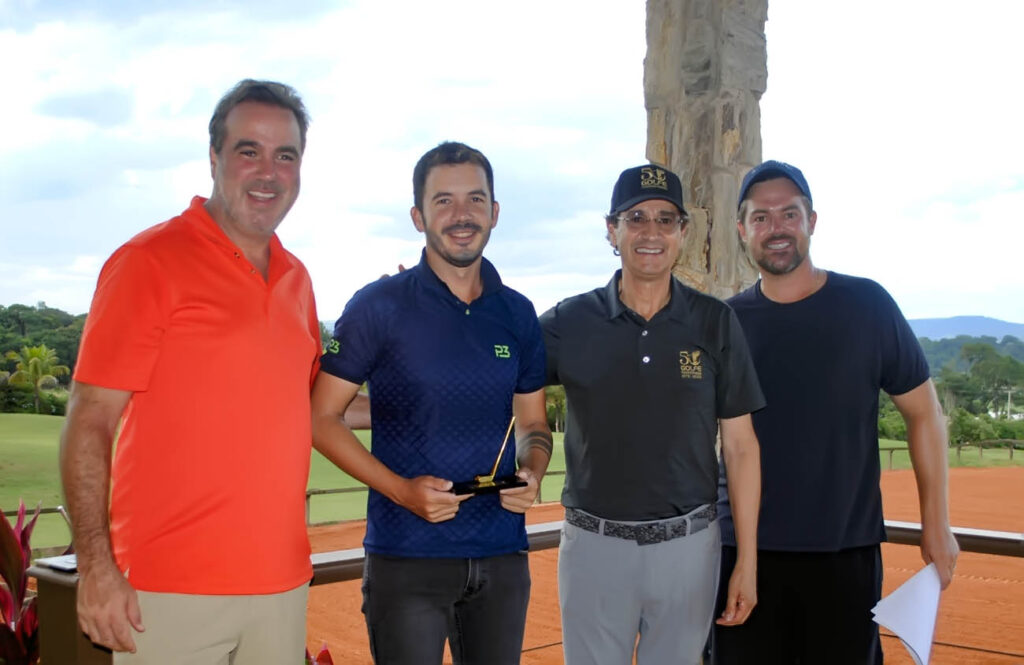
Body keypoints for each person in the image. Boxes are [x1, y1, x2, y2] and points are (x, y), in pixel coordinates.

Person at [59, 79, 320, 663]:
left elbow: (306, 407)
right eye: (248, 150)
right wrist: (96, 566)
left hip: (280, 585)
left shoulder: (298, 280)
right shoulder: (148, 261)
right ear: (213, 157)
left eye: (286, 155)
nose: (268, 172)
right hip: (166, 589)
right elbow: (91, 416)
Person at [311, 141, 553, 665]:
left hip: (502, 556)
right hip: (407, 557)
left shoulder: (516, 313)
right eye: (443, 201)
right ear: (418, 216)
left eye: (474, 199)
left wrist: (533, 470)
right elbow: (320, 417)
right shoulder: (376, 306)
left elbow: (533, 421)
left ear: (495, 212)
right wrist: (401, 491)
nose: (461, 215)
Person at [713, 160, 960, 664]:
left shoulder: (866, 305)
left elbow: (925, 414)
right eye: (761, 218)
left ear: (812, 221)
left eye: (789, 214)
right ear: (742, 230)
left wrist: (936, 521)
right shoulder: (727, 323)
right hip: (744, 556)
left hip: (844, 552)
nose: (776, 228)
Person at [539, 164, 764, 665]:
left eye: (666, 220)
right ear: (611, 229)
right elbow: (495, 366)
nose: (651, 232)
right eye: (636, 217)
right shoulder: (569, 322)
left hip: (688, 547)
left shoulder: (714, 321)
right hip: (594, 547)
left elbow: (742, 447)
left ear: (683, 233)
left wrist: (745, 559)